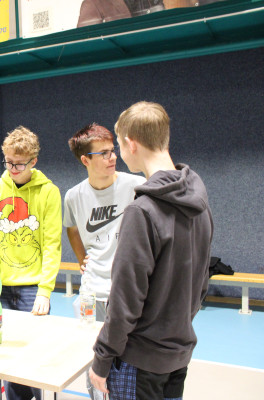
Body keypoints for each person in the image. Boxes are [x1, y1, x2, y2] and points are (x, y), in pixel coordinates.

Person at [89, 102, 214, 399]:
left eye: (119, 146)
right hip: (178, 355)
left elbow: (125, 300)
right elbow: (201, 283)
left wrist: (102, 359)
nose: (119, 154)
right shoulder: (200, 204)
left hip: (139, 362)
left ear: (131, 143)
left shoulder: (142, 211)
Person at [0, 126, 62, 400]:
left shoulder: (49, 192)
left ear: (33, 161)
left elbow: (52, 244)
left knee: (35, 358)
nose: (13, 169)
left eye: (19, 164)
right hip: (0, 287)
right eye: (8, 162)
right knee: (6, 358)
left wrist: (45, 290)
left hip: (32, 288)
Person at [64, 123, 145, 400]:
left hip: (127, 292)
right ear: (85, 160)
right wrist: (81, 258)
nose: (113, 157)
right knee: (93, 361)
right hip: (91, 292)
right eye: (104, 153)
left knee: (126, 364)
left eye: (113, 151)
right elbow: (71, 228)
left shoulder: (136, 186)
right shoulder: (74, 196)